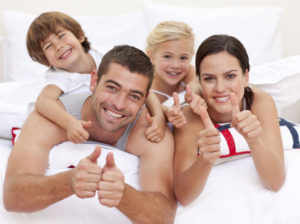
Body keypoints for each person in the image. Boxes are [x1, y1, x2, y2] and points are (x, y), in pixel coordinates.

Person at [3, 45, 176, 224]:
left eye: (134, 96)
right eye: (112, 88)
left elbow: (164, 216)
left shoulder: (151, 133)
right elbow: (12, 195)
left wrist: (123, 195)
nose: (119, 104)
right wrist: (68, 182)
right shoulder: (53, 116)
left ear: (145, 100)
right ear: (94, 81)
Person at [173, 34, 286, 205]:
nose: (220, 88)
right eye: (209, 78)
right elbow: (183, 196)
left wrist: (254, 141)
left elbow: (276, 182)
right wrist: (205, 159)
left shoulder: (260, 102)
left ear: (246, 77)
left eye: (230, 76)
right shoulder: (191, 115)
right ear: (199, 81)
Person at [26, 11, 165, 144]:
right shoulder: (59, 78)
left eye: (61, 36)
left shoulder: (105, 55)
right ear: (47, 61)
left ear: (79, 36)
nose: (58, 46)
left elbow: (141, 87)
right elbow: (44, 102)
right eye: (48, 46)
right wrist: (69, 122)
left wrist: (158, 116)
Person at [146, 21, 205, 128]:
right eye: (167, 56)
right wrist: (165, 112)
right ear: (151, 56)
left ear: (191, 57)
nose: (175, 65)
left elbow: (197, 82)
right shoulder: (145, 83)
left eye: (183, 58)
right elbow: (148, 102)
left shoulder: (189, 73)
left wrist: (194, 94)